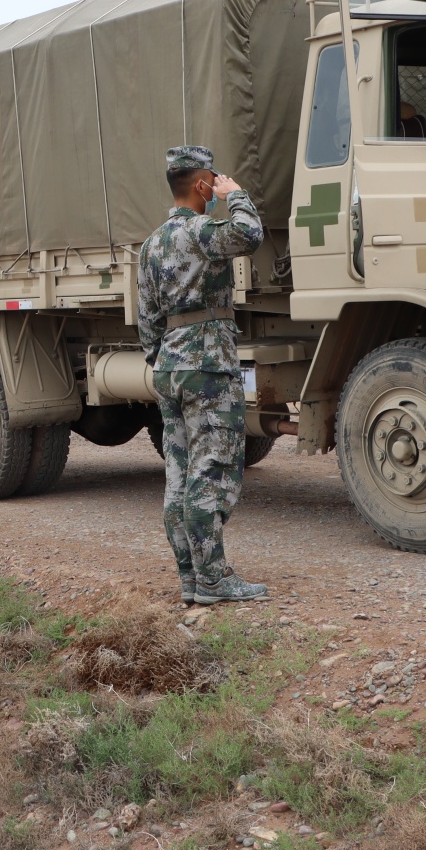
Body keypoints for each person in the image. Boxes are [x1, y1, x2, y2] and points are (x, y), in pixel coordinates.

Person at [136, 145, 269, 606]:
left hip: (170, 368)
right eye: (214, 181)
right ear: (200, 185)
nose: (218, 187)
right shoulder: (201, 231)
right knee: (211, 471)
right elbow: (250, 234)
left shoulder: (152, 244)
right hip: (208, 366)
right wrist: (237, 195)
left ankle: (191, 578)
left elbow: (147, 319)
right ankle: (214, 579)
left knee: (178, 476)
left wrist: (163, 358)